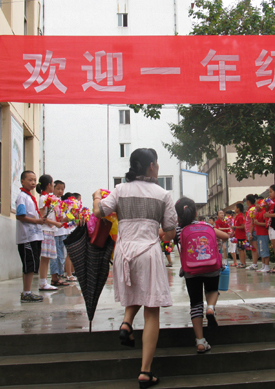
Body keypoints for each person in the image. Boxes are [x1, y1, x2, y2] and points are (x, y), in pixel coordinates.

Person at [93, 148, 177, 388]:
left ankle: (126, 323)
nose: (158, 167)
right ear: (151, 166)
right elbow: (170, 232)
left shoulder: (120, 190)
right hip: (148, 251)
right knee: (152, 309)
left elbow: (99, 212)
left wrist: (96, 197)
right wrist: (157, 231)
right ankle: (145, 371)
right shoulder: (162, 194)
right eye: (157, 163)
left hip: (123, 251)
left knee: (137, 291)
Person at [175, 197, 229, 353]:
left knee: (196, 303)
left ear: (178, 215)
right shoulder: (207, 226)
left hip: (191, 271)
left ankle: (200, 341)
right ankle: (211, 307)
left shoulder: (179, 230)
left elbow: (164, 235)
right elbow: (225, 237)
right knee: (212, 291)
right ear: (196, 212)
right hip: (211, 267)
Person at [15, 171, 46, 303]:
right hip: (27, 237)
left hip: (35, 236)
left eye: (35, 180)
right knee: (28, 264)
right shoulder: (22, 197)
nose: (33, 182)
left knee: (33, 264)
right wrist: (36, 221)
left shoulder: (30, 197)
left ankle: (27, 292)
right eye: (30, 180)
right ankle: (26, 292)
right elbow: (20, 216)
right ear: (22, 181)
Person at [36, 174, 64, 292]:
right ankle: (43, 282)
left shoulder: (50, 198)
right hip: (45, 230)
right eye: (53, 184)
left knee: (47, 258)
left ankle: (44, 282)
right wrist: (55, 223)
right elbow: (42, 216)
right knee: (45, 258)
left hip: (49, 230)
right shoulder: (43, 199)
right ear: (49, 185)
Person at [50, 180, 70, 287]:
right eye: (58, 188)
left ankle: (60, 276)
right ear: (53, 188)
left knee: (61, 255)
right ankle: (55, 277)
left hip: (62, 232)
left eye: (62, 189)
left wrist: (71, 215)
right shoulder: (51, 201)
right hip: (54, 232)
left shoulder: (62, 203)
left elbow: (62, 218)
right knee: (55, 256)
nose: (60, 191)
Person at [253, 199, 271, 272]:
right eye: (256, 204)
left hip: (264, 233)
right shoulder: (258, 212)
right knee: (261, 250)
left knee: (264, 249)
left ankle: (267, 266)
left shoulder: (263, 212)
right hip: (259, 233)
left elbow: (266, 224)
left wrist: (258, 223)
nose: (256, 205)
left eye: (258, 204)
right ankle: (263, 265)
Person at [244, 194, 259, 270]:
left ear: (248, 201)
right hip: (249, 230)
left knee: (254, 247)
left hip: (252, 231)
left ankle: (255, 263)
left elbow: (252, 222)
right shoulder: (250, 209)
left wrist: (250, 232)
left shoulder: (253, 209)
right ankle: (254, 263)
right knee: (252, 247)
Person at [233, 203, 247, 268]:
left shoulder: (240, 217)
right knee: (240, 249)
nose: (234, 209)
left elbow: (242, 226)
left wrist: (235, 227)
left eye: (235, 208)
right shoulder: (237, 217)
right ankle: (242, 262)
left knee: (242, 250)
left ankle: (243, 263)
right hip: (238, 235)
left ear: (238, 209)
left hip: (241, 236)